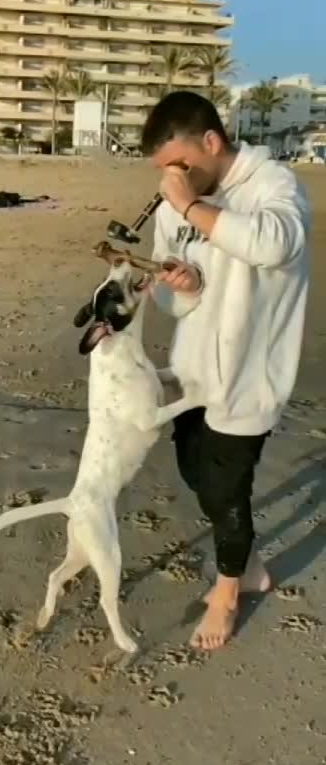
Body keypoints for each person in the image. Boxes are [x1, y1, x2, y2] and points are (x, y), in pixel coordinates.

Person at [141, 90, 310, 651]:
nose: (171, 179)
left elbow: (274, 245)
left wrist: (192, 207)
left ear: (211, 142)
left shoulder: (274, 185)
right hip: (192, 371)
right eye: (164, 170)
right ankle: (250, 565)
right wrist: (184, 286)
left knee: (227, 491)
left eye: (179, 164)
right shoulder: (176, 204)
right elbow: (169, 293)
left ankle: (228, 594)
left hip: (249, 379)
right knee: (196, 474)